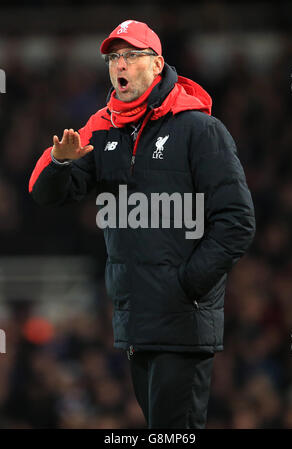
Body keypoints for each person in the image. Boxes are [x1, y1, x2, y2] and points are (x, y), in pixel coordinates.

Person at [28, 20, 256, 429]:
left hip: (182, 322)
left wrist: (185, 285)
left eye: (131, 55)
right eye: (114, 57)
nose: (121, 64)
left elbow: (237, 221)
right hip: (136, 323)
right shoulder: (106, 129)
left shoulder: (200, 130)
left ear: (157, 64)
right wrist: (61, 161)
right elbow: (49, 195)